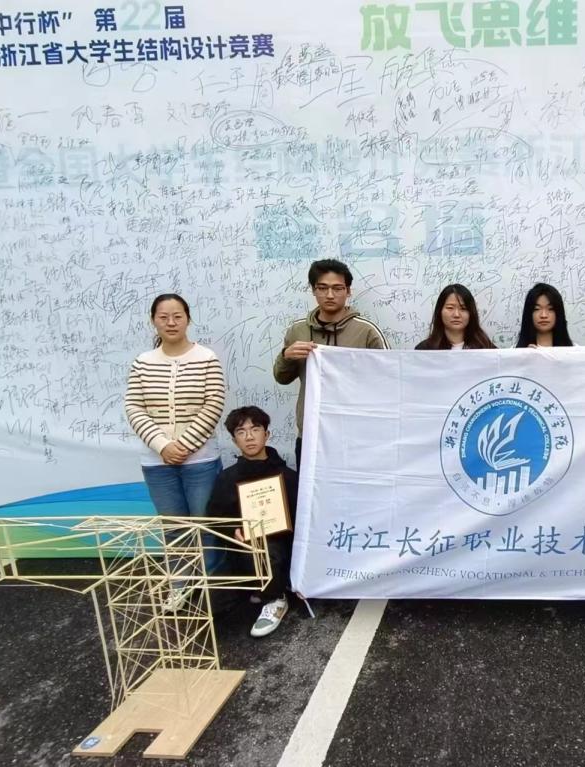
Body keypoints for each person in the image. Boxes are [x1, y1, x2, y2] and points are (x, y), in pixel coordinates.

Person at [125, 293, 227, 599]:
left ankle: (212, 588)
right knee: (173, 527)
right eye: (163, 317)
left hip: (201, 460)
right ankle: (180, 585)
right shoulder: (143, 362)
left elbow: (214, 403)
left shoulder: (206, 358)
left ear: (188, 319)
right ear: (153, 321)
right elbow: (134, 407)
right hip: (157, 463)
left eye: (177, 316)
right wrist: (162, 446)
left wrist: (184, 445)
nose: (171, 322)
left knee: (206, 525)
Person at [274, 259, 388, 468]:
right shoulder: (298, 331)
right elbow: (281, 378)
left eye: (337, 288)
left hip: (354, 436)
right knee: (309, 488)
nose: (329, 295)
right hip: (310, 434)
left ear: (348, 291)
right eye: (322, 288)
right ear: (313, 290)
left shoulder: (366, 331)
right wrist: (286, 356)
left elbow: (388, 380)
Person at [207, 406, 299, 638]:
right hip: (242, 549)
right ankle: (262, 589)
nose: (249, 437)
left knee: (268, 550)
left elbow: (304, 518)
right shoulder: (227, 478)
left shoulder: (287, 476)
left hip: (280, 548)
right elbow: (214, 517)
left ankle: (276, 599)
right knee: (213, 605)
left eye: (255, 429)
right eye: (241, 432)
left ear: (266, 434)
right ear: (234, 440)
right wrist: (233, 529)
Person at [415, 284, 496, 350]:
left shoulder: (486, 348)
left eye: (463, 308)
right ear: (440, 311)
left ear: (471, 313)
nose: (456, 314)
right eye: (450, 308)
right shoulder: (424, 349)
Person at [515, 283, 574, 348]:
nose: (544, 315)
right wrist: (526, 353)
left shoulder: (574, 351)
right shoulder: (515, 352)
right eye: (537, 309)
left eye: (550, 309)